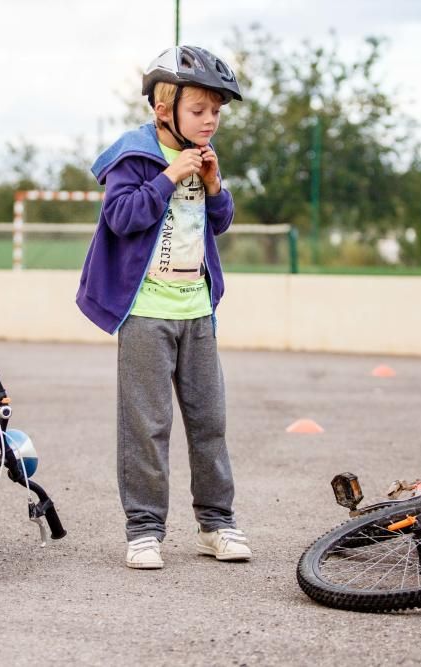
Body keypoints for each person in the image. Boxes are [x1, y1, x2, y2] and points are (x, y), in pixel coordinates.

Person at [76, 45, 251, 569]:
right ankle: (145, 529)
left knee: (209, 421)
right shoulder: (133, 155)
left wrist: (216, 188)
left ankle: (216, 523)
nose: (210, 121)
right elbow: (124, 217)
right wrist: (170, 175)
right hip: (147, 313)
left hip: (196, 311)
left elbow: (218, 222)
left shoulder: (202, 158)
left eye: (216, 112)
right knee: (146, 426)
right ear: (163, 108)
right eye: (199, 111)